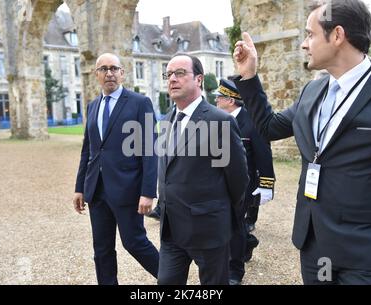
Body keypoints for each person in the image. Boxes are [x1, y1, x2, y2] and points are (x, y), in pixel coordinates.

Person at [233, 0, 371, 285]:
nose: (303, 44)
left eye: (310, 34)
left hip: (369, 256)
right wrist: (249, 75)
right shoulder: (312, 91)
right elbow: (269, 127)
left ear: (337, 35)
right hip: (315, 249)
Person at [157, 54, 249, 285]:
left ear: (199, 79)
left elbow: (238, 178)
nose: (172, 79)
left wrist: (219, 214)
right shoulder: (168, 120)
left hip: (207, 229)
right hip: (171, 229)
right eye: (168, 74)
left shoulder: (220, 121)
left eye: (179, 73)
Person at [72, 53, 159, 285]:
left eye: (114, 68)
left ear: (122, 73)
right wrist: (80, 187)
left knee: (135, 243)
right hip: (97, 191)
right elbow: (88, 151)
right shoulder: (92, 106)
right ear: (96, 75)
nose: (109, 73)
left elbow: (150, 149)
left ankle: (172, 280)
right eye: (103, 69)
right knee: (101, 250)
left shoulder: (140, 103)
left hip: (127, 190)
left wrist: (148, 191)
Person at [214, 78, 275, 285]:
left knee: (235, 225)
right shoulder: (218, 120)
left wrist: (266, 185)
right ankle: (248, 242)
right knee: (229, 223)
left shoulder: (251, 122)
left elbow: (264, 154)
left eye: (219, 97)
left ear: (231, 100)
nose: (216, 101)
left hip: (244, 185)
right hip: (220, 183)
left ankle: (235, 270)